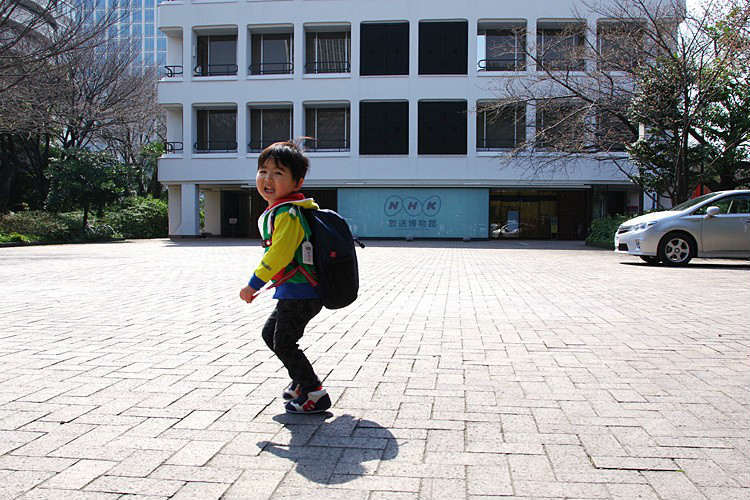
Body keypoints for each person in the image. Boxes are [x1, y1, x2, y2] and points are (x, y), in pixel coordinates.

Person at [239, 141, 331, 414]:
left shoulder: (288, 213)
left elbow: (279, 254)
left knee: (284, 342)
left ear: (297, 182)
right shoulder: (281, 210)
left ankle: (314, 392)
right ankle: (301, 382)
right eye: (263, 171)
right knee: (271, 335)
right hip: (293, 291)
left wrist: (253, 284)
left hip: (303, 292)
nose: (267, 179)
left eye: (278, 173)